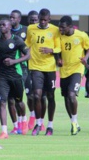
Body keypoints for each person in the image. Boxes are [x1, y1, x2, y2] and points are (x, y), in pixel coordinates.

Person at [0, 18, 30, 139]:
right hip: (2, 75)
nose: (1, 27)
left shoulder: (17, 40)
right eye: (0, 25)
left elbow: (28, 55)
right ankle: (4, 131)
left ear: (10, 26)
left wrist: (14, 61)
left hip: (16, 75)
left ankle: (24, 120)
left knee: (19, 101)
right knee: (2, 102)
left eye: (4, 25)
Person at [25, 8, 61, 136]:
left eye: (46, 20)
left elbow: (59, 47)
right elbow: (27, 44)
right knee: (36, 95)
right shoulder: (31, 28)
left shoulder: (55, 30)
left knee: (50, 97)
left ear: (49, 20)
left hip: (50, 68)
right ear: (38, 18)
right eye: (41, 19)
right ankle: (38, 123)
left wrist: (51, 50)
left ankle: (50, 125)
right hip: (35, 67)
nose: (43, 22)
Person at [57, 16, 89, 135]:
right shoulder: (59, 35)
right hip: (64, 70)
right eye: (60, 27)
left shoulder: (81, 35)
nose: (60, 29)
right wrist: (58, 59)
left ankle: (74, 122)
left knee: (72, 94)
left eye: (63, 27)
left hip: (77, 69)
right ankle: (74, 122)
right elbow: (56, 50)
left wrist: (85, 58)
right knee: (66, 97)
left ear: (70, 26)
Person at [26, 10, 47, 131]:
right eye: (31, 20)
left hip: (42, 68)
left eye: (35, 20)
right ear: (28, 20)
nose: (34, 22)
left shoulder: (44, 32)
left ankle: (41, 121)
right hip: (27, 68)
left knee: (42, 97)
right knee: (30, 96)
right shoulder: (27, 31)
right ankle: (32, 116)